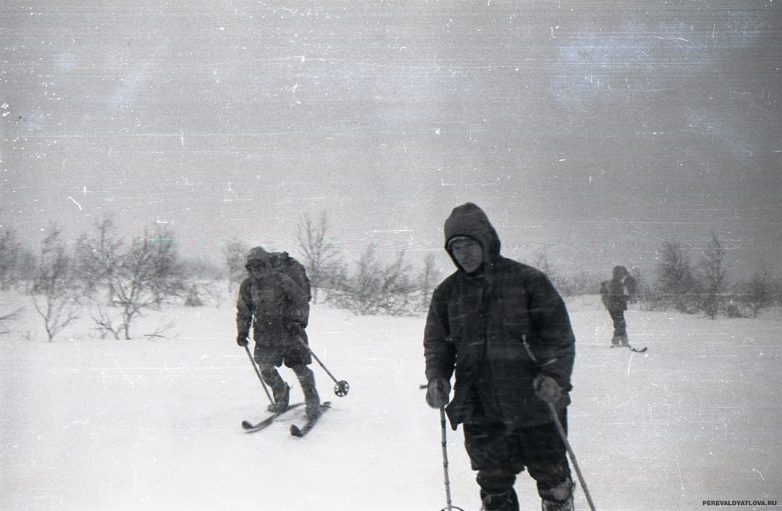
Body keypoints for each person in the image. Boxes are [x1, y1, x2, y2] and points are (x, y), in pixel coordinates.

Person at [423, 203, 577, 511]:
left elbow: (558, 337)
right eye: (456, 247)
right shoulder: (447, 293)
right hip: (480, 405)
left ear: (486, 241)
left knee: (552, 478)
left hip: (535, 401)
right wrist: (437, 378)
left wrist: (555, 377)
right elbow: (438, 344)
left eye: (469, 244)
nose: (463, 253)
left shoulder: (528, 281)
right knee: (493, 485)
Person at [236, 246, 321, 419]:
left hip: (289, 332)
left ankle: (313, 403)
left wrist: (297, 322)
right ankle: (281, 396)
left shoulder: (282, 280)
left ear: (267, 265)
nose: (257, 270)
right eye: (252, 267)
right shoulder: (247, 286)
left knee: (299, 368)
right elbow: (244, 311)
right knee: (266, 369)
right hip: (265, 335)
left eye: (260, 266)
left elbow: (301, 302)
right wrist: (242, 331)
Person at [600, 265, 637, 348]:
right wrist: (628, 297)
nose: (623, 276)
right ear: (618, 274)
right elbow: (618, 295)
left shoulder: (617, 282)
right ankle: (616, 342)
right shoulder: (616, 283)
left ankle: (624, 342)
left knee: (621, 324)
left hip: (616, 306)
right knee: (620, 324)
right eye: (622, 274)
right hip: (615, 307)